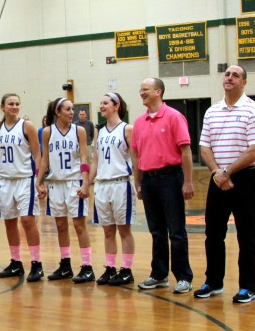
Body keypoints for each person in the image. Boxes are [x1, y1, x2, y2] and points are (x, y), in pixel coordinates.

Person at [194, 65, 255, 303]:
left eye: (235, 75)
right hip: (218, 178)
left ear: (244, 82)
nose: (229, 78)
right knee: (213, 234)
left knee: (246, 236)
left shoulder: (253, 110)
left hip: (246, 179)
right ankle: (214, 282)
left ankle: (248, 287)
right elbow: (204, 147)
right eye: (227, 74)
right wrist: (218, 172)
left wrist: (227, 172)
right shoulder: (212, 111)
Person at [131, 78, 194, 294]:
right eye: (140, 89)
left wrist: (188, 181)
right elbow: (136, 154)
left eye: (145, 89)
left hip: (170, 178)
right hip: (148, 180)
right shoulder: (139, 122)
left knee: (176, 230)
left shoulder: (174, 116)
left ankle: (183, 277)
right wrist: (138, 181)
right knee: (156, 231)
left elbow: (186, 151)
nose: (141, 93)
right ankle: (159, 275)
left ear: (158, 92)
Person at [0, 93, 44, 282]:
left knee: (27, 221)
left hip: (25, 179)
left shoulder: (27, 126)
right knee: (9, 222)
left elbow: (37, 154)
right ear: (2, 107)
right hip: (6, 181)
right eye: (11, 104)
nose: (15, 106)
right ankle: (16, 262)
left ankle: (36, 263)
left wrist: (40, 180)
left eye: (17, 103)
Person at [36, 97, 94, 283]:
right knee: (60, 226)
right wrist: (39, 181)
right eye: (68, 109)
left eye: (72, 109)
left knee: (79, 225)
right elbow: (45, 158)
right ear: (57, 112)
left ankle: (87, 267)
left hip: (74, 182)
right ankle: (65, 265)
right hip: (55, 183)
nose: (72, 113)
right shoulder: (47, 132)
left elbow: (84, 158)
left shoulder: (79, 131)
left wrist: (85, 183)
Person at [89, 93, 136, 285]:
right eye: (100, 103)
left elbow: (136, 159)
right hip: (101, 185)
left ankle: (126, 270)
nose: (101, 106)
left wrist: (139, 183)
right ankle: (110, 268)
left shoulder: (127, 129)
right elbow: (95, 160)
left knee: (124, 230)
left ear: (116, 106)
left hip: (120, 183)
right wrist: (86, 183)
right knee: (107, 231)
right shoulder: (99, 131)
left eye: (105, 103)